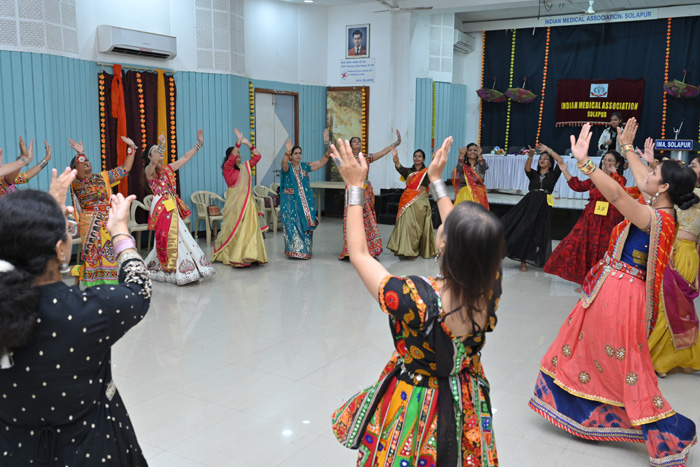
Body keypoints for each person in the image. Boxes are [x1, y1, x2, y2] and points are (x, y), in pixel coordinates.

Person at [529, 120, 698, 466]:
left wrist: (585, 163)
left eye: (654, 172)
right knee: (589, 347)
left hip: (623, 293)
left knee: (623, 361)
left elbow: (619, 195)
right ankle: (583, 410)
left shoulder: (655, 217)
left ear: (664, 186)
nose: (647, 174)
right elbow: (642, 179)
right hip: (616, 287)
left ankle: (663, 432)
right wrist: (627, 148)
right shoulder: (660, 208)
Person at [331, 136, 503, 465]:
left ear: (444, 243)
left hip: (418, 400)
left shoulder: (415, 296)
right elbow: (464, 236)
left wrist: (354, 187)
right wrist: (436, 182)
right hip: (464, 395)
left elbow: (359, 254)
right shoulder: (490, 286)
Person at [0, 167, 152, 466]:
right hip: (91, 446)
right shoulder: (89, 310)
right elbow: (139, 287)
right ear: (60, 250)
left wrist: (43, 215)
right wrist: (120, 231)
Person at [648, 147, 700, 377]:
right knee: (662, 304)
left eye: (694, 165)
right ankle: (659, 357)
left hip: (686, 254)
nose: (690, 167)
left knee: (677, 307)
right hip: (668, 249)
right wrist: (652, 165)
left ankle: (659, 358)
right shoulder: (679, 193)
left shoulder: (689, 194)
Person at [543, 149, 626, 289]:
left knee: (603, 249)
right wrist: (564, 170)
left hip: (609, 219)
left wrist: (612, 174)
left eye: (611, 160)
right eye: (605, 160)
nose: (607, 163)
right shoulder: (595, 178)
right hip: (591, 218)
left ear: (617, 164)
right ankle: (586, 281)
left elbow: (619, 190)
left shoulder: (620, 179)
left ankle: (599, 283)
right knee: (583, 246)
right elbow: (578, 186)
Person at [143, 131, 215, 285]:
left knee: (179, 233)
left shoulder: (168, 169)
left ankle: (186, 266)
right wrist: (161, 145)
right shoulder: (149, 171)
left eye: (160, 150)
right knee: (167, 235)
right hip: (161, 206)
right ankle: (173, 268)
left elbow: (185, 158)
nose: (160, 153)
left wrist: (199, 144)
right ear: (150, 156)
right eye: (155, 151)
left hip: (171, 203)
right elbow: (153, 163)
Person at [69, 136, 135, 287]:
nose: (86, 162)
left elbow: (125, 169)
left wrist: (132, 148)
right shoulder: (77, 181)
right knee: (93, 254)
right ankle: (94, 286)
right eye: (82, 161)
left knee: (109, 251)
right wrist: (81, 154)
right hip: (90, 222)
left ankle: (111, 283)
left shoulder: (104, 177)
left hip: (108, 221)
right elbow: (80, 172)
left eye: (87, 160)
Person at [338, 130, 401, 259]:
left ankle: (369, 248)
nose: (357, 142)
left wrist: (397, 143)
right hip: (352, 190)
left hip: (365, 189)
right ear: (350, 146)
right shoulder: (347, 159)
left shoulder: (366, 158)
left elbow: (383, 151)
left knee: (367, 218)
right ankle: (352, 249)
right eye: (354, 141)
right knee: (353, 218)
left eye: (359, 141)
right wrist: (327, 143)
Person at [501, 143, 563, 272]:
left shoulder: (553, 175)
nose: (542, 160)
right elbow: (527, 169)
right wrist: (530, 156)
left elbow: (560, 161)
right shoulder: (534, 174)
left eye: (545, 159)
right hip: (529, 204)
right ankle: (521, 260)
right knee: (522, 229)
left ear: (550, 163)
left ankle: (535, 259)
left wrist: (548, 150)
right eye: (540, 158)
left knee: (538, 232)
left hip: (543, 206)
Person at [213, 127, 268, 267]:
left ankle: (251, 255)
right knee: (234, 228)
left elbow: (258, 157)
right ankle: (235, 255)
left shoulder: (245, 167)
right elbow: (232, 158)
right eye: (235, 154)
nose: (238, 155)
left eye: (239, 153)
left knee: (249, 229)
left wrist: (247, 143)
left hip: (248, 203)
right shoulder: (227, 168)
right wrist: (237, 144)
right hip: (234, 204)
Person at [280, 131, 331, 259]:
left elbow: (321, 162)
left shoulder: (305, 166)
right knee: (292, 224)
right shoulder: (288, 167)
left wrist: (327, 145)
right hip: (290, 201)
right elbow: (283, 165)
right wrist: (287, 152)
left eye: (300, 153)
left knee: (304, 223)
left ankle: (305, 249)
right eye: (295, 153)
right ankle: (294, 249)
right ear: (291, 155)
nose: (298, 155)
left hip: (304, 203)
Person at [386, 147, 438, 258]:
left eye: (419, 156)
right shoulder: (408, 172)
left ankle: (417, 248)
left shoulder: (427, 171)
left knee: (418, 227)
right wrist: (395, 158)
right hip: (407, 201)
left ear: (423, 159)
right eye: (415, 156)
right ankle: (406, 250)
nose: (417, 158)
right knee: (407, 224)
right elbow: (399, 167)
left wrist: (435, 158)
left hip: (421, 201)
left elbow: (434, 168)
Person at [451, 142, 489, 208]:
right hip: (465, 193)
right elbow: (459, 170)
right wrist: (461, 156)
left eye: (475, 150)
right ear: (466, 152)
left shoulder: (481, 163)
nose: (473, 152)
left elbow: (484, 168)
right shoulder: (463, 164)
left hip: (478, 193)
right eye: (470, 150)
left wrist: (480, 155)